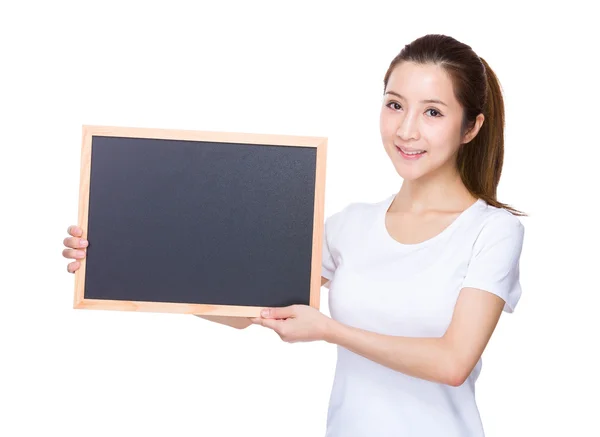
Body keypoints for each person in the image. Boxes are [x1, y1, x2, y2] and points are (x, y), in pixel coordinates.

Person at [62, 34, 525, 436]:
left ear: (472, 127)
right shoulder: (351, 225)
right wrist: (119, 257)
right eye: (394, 104)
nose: (406, 130)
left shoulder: (492, 230)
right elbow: (248, 309)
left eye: (433, 112)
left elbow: (451, 363)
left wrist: (330, 331)